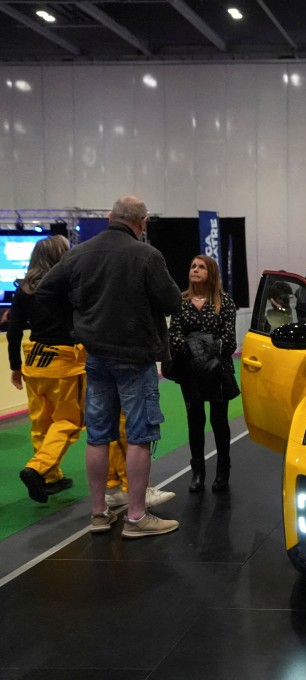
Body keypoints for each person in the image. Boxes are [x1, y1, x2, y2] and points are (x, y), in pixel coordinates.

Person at [36, 195, 182, 538]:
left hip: (96, 356)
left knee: (98, 436)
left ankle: (99, 514)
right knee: (139, 435)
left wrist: (76, 327)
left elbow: (45, 291)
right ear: (142, 222)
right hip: (136, 356)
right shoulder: (148, 255)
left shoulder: (79, 253)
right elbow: (172, 300)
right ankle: (136, 517)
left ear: (109, 217)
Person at [6, 235, 80, 503]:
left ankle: (51, 477)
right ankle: (38, 468)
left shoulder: (23, 289)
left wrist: (15, 367)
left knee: (41, 423)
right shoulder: (67, 286)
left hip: (34, 362)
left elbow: (14, 331)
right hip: (65, 363)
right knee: (70, 421)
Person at [167, 254, 238, 493]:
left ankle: (223, 471)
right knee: (194, 422)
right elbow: (174, 336)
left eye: (201, 267)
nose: (195, 270)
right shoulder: (180, 301)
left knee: (219, 422)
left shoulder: (224, 301)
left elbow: (229, 340)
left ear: (212, 273)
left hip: (218, 371)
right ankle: (197, 473)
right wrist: (196, 350)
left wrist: (199, 347)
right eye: (192, 266)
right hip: (190, 373)